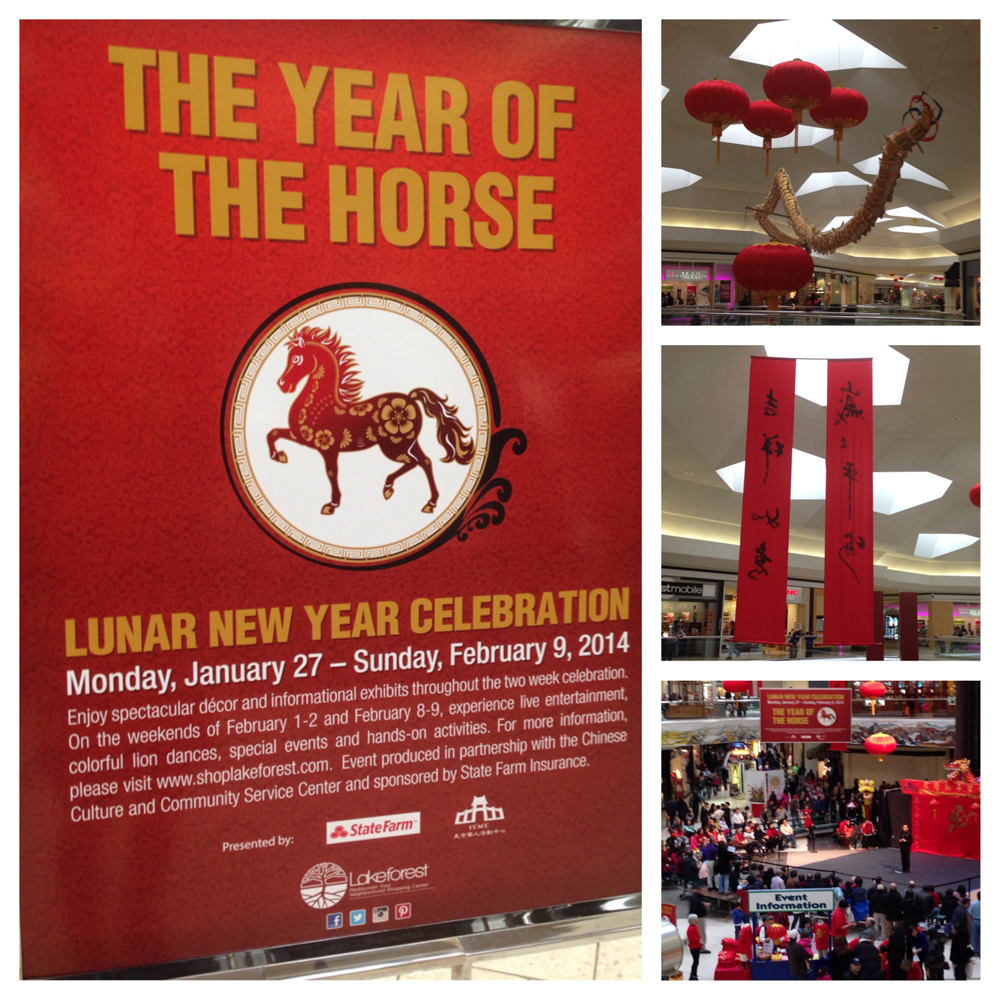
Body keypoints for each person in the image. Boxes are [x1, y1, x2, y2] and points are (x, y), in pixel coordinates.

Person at [950, 896, 973, 980]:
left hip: (959, 958)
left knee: (959, 973)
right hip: (960, 959)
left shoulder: (958, 909)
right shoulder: (963, 913)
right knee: (961, 973)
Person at [685, 914, 703, 980]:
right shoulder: (691, 929)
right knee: (695, 961)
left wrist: (700, 941)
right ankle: (693, 975)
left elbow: (698, 935)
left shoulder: (694, 927)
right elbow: (693, 938)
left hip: (697, 946)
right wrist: (699, 942)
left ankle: (694, 974)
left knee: (696, 961)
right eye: (696, 919)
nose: (697, 920)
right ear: (694, 920)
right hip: (694, 947)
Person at [969, 892, 980, 957]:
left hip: (975, 920)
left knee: (974, 937)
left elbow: (970, 912)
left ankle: (975, 951)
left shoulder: (974, 904)